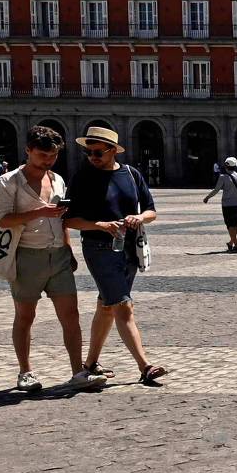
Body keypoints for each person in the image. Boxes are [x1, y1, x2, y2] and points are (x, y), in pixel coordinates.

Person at [62, 125, 167, 386]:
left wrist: (139, 217)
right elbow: (69, 219)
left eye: (97, 152)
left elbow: (152, 211)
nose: (92, 157)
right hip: (99, 248)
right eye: (89, 152)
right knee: (123, 305)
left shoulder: (132, 175)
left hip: (130, 247)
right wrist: (100, 225)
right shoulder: (83, 177)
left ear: (113, 151)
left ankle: (90, 363)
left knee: (107, 305)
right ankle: (145, 366)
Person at [0, 126, 93, 394]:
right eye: (42, 155)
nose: (48, 161)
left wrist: (68, 249)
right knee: (25, 316)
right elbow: (2, 220)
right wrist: (39, 212)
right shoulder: (8, 182)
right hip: (26, 255)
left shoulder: (58, 179)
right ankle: (25, 372)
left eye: (53, 156)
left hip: (58, 255)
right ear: (28, 150)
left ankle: (78, 371)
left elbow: (61, 218)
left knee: (71, 316)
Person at [203, 156, 237, 252]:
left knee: (229, 225)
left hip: (227, 205)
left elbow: (216, 190)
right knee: (235, 225)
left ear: (226, 166)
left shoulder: (222, 177)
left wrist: (207, 197)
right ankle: (231, 243)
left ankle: (236, 245)